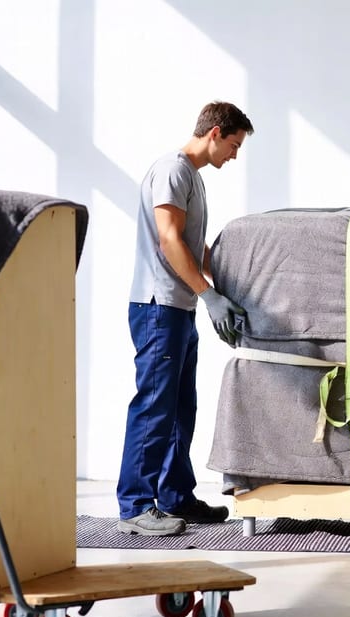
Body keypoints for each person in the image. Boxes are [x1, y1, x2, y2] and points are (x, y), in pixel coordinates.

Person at [117, 102, 254, 536]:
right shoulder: (174, 170)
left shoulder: (192, 177)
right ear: (215, 133)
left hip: (179, 308)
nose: (233, 155)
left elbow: (195, 250)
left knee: (180, 409)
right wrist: (208, 295)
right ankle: (136, 506)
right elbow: (169, 239)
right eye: (233, 145)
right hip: (158, 307)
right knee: (155, 406)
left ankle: (176, 496)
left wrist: (226, 286)